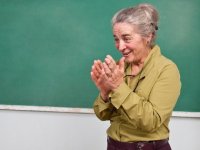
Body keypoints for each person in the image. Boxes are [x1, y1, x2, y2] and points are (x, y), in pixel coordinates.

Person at [90, 3, 181, 150]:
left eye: (126, 38)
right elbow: (102, 115)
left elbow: (150, 122)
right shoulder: (120, 67)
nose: (120, 47)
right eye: (116, 39)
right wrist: (105, 92)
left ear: (148, 36)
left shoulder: (167, 69)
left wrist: (118, 86)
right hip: (113, 145)